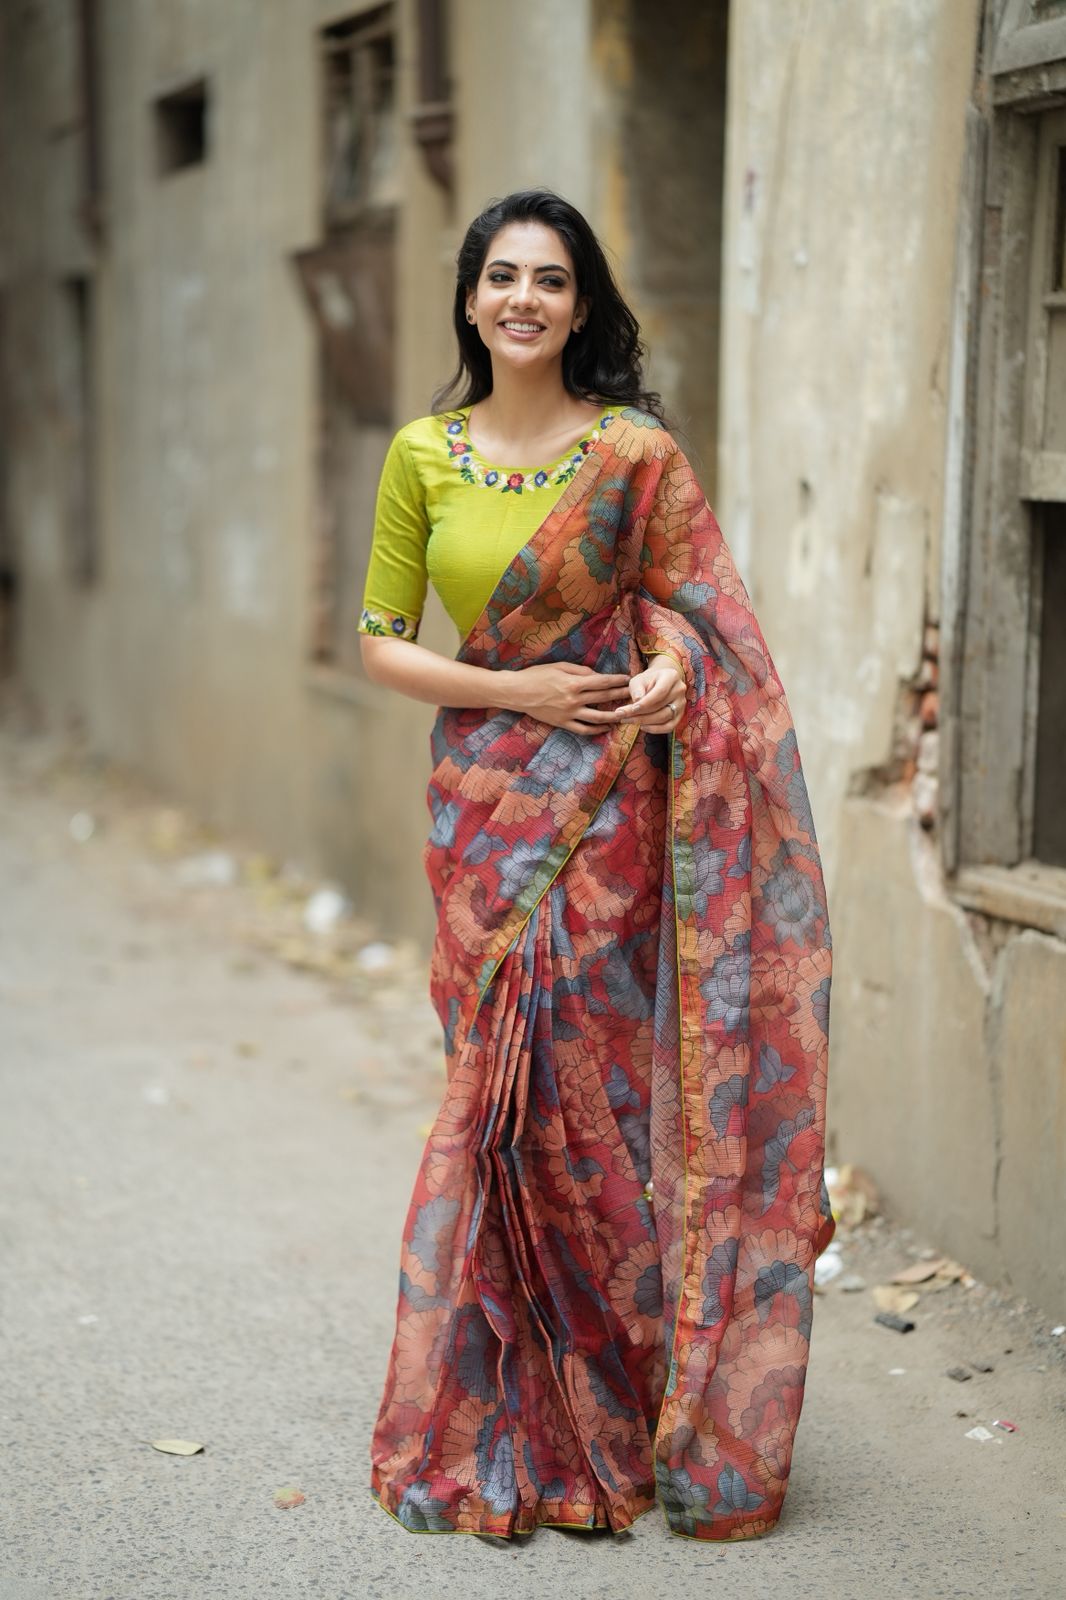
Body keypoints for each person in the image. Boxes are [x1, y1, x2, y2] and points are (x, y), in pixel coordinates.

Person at [357, 188, 836, 1545]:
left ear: (580, 308)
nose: (524, 299)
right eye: (502, 276)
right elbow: (383, 641)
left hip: (610, 813)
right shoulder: (423, 454)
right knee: (499, 1100)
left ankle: (615, 1419)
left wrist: (672, 675)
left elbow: (705, 624)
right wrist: (519, 693)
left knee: (594, 1096)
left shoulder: (633, 454)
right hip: (483, 806)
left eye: (550, 280)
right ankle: (506, 1413)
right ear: (470, 300)